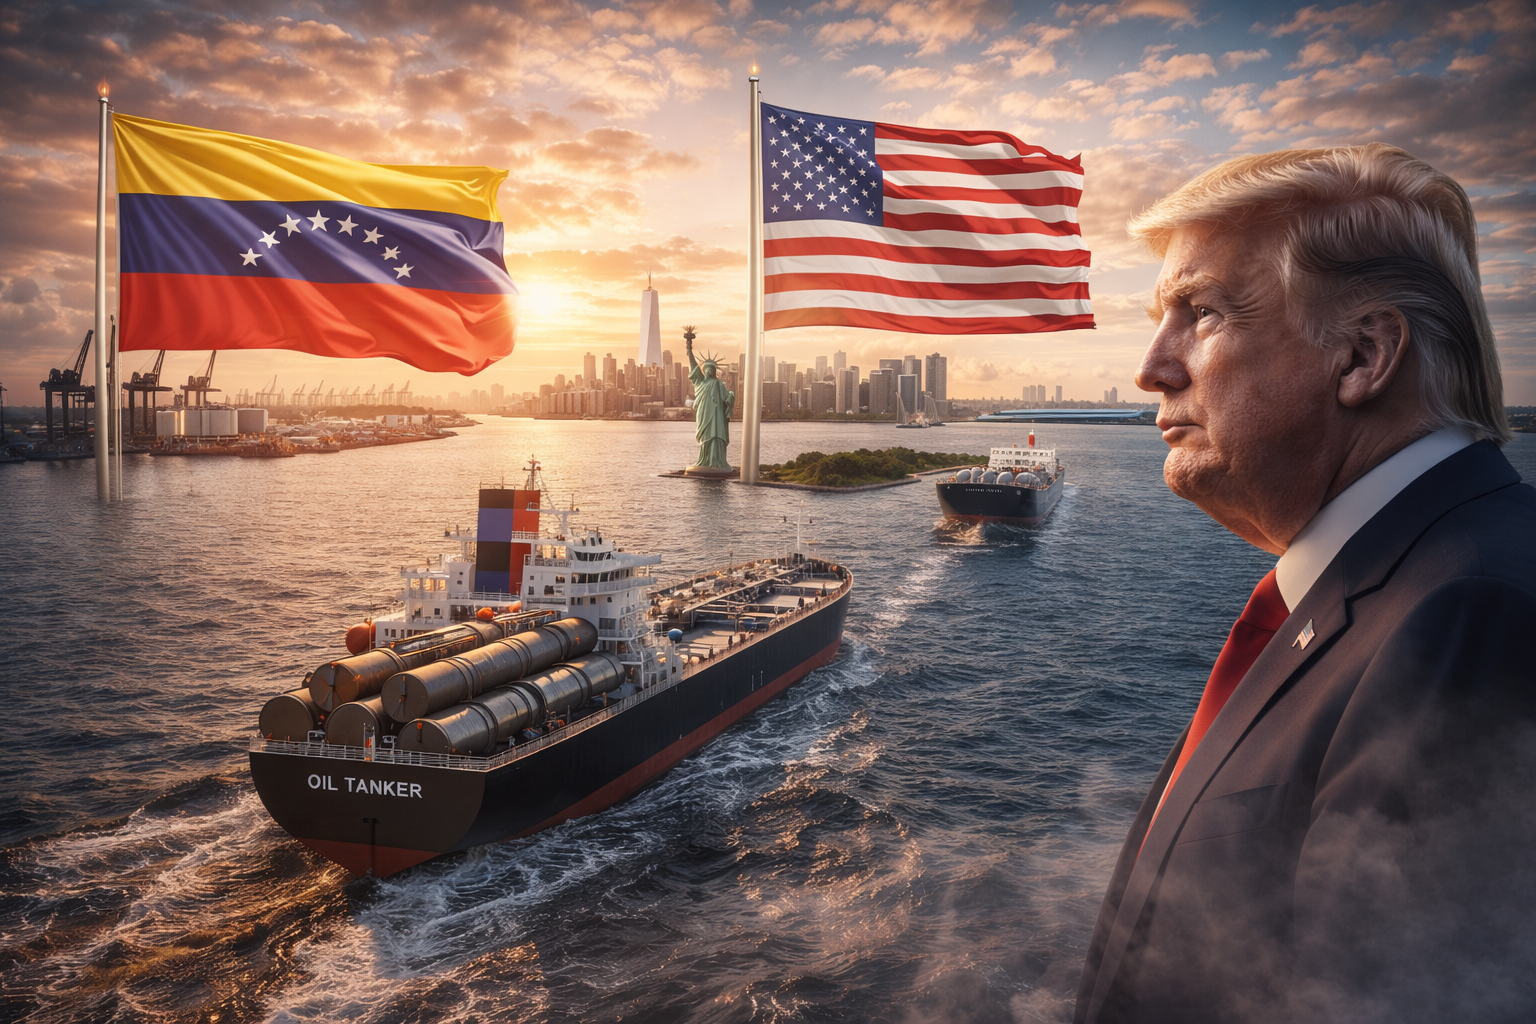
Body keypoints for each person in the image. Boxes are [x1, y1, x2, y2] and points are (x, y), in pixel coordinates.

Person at [1075, 144, 1536, 1024]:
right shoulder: (1389, 586)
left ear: (1363, 355)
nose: (1151, 368)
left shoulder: (1473, 617)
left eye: (1201, 312)